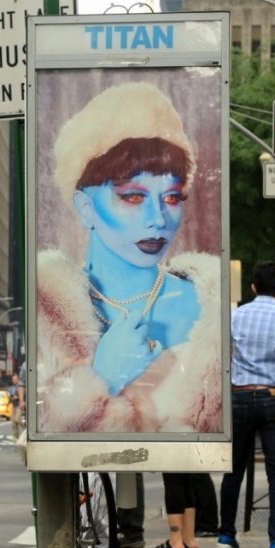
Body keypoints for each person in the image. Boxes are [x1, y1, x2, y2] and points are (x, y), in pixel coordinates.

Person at [36, 81, 221, 433]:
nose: (158, 219)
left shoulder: (209, 307)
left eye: (171, 197)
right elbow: (39, 432)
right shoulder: (45, 310)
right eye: (134, 197)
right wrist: (101, 377)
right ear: (85, 207)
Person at [219, 261, 275, 548]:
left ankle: (226, 535)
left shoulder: (234, 317)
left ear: (253, 287)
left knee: (234, 469)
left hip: (239, 396)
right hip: (274, 398)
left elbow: (223, 359)